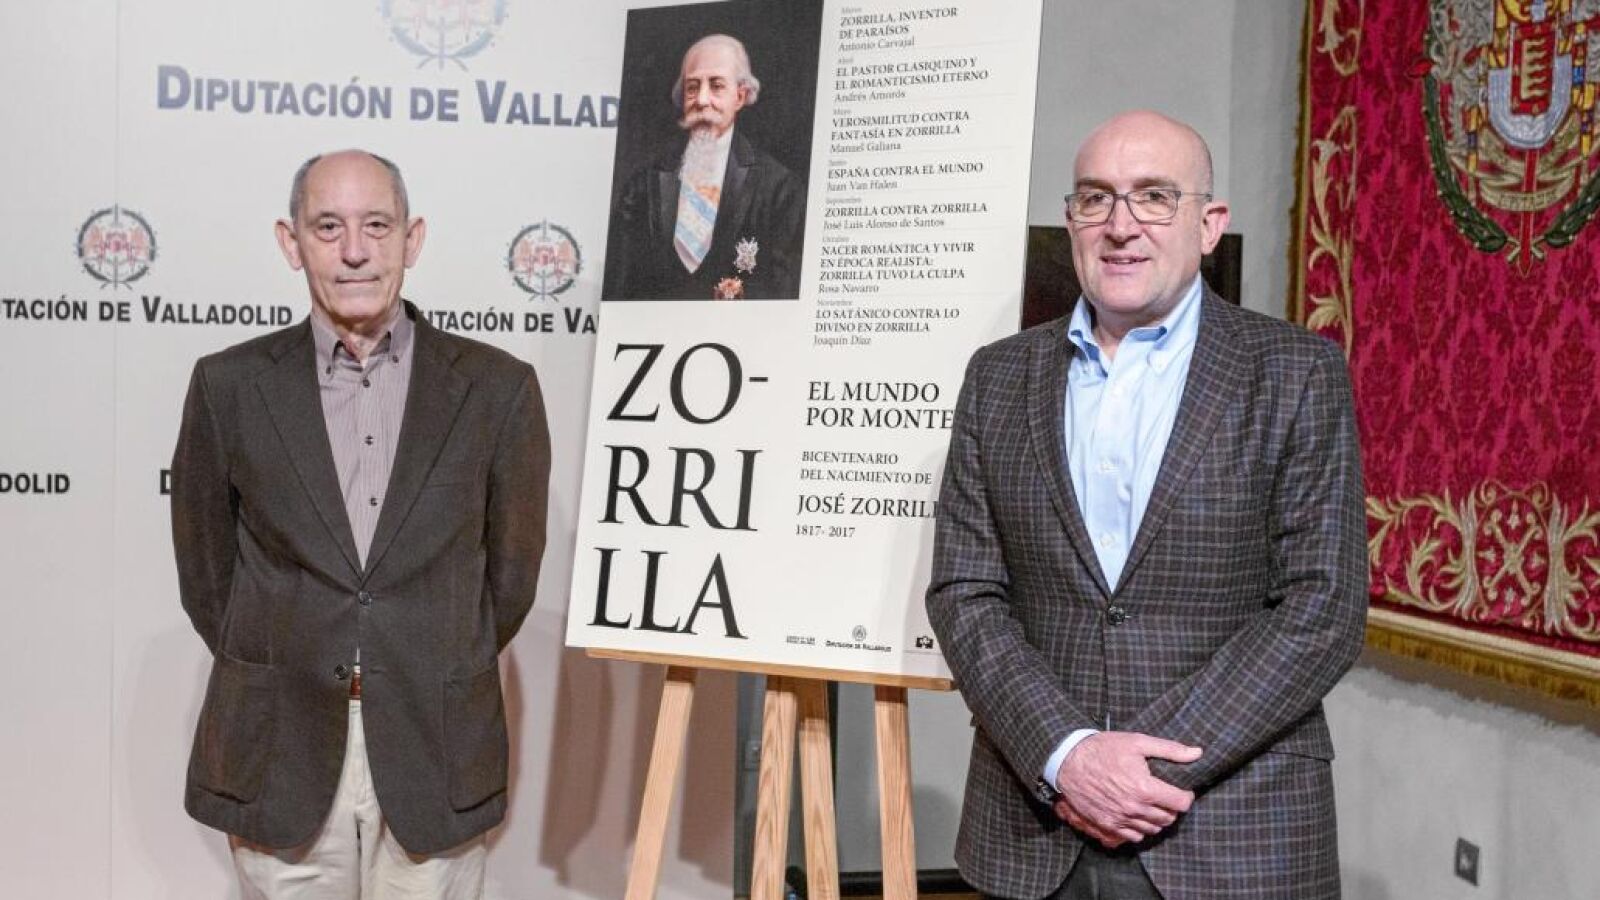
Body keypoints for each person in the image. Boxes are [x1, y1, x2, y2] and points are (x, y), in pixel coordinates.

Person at [926, 110, 1367, 900]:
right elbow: (966, 592)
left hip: (1233, 830)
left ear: (1209, 224)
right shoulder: (997, 377)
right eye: (1096, 198)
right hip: (1036, 825)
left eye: (1155, 196)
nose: (1121, 225)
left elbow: (1322, 607)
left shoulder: (1296, 373)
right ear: (1071, 220)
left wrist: (1140, 769)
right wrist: (1069, 755)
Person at [170, 149, 551, 899]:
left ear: (413, 239)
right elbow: (207, 578)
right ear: (291, 243)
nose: (354, 251)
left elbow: (508, 582)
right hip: (281, 748)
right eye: (328, 227)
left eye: (377, 225)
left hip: (434, 747)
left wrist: (420, 653)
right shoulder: (227, 386)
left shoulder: (498, 390)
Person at [603, 33, 805, 300]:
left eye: (716, 86)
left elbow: (783, 293)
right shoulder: (643, 185)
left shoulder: (779, 188)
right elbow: (619, 289)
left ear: (740, 96)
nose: (701, 99)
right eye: (692, 87)